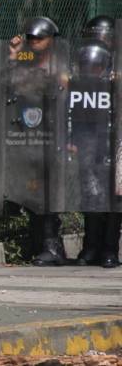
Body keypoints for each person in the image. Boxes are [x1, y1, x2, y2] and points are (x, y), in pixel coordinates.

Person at [7, 16, 68, 266]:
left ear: (51, 41)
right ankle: (39, 243)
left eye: (38, 39)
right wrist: (14, 54)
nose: (33, 43)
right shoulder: (27, 60)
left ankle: (52, 246)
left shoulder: (59, 65)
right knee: (32, 190)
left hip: (53, 136)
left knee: (48, 192)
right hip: (29, 135)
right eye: (30, 38)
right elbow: (10, 78)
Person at [73, 16, 120, 268]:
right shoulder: (83, 64)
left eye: (103, 36)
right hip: (89, 137)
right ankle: (90, 246)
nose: (99, 41)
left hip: (116, 139)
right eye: (93, 35)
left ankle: (110, 249)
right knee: (91, 193)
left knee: (115, 196)